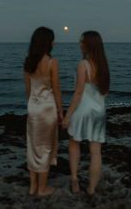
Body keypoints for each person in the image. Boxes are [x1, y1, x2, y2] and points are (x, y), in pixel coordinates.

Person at [62, 31, 110, 195]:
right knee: (95, 151)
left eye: (82, 41)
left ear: (88, 44)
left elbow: (78, 93)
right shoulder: (103, 65)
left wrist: (67, 115)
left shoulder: (83, 65)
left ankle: (74, 179)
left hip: (82, 111)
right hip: (98, 112)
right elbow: (105, 93)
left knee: (74, 144)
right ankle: (91, 189)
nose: (80, 44)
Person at [24, 26, 63, 197]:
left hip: (33, 107)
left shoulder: (28, 62)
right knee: (46, 147)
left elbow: (28, 90)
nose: (54, 42)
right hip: (47, 108)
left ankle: (32, 186)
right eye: (52, 39)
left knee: (32, 146)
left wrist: (33, 104)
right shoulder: (52, 62)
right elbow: (56, 90)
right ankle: (42, 188)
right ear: (47, 42)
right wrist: (61, 111)